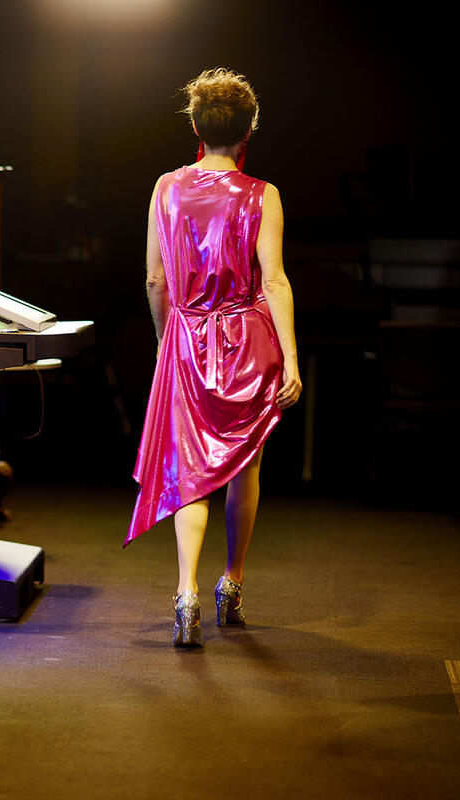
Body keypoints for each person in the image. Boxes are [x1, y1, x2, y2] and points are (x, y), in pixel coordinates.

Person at [126, 68, 302, 647]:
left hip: (187, 336)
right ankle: (232, 583)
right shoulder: (264, 194)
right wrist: (293, 361)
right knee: (243, 465)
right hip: (248, 341)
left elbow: (156, 279)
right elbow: (273, 282)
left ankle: (186, 593)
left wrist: (163, 340)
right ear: (249, 129)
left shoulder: (164, 187)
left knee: (190, 474)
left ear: (196, 127)